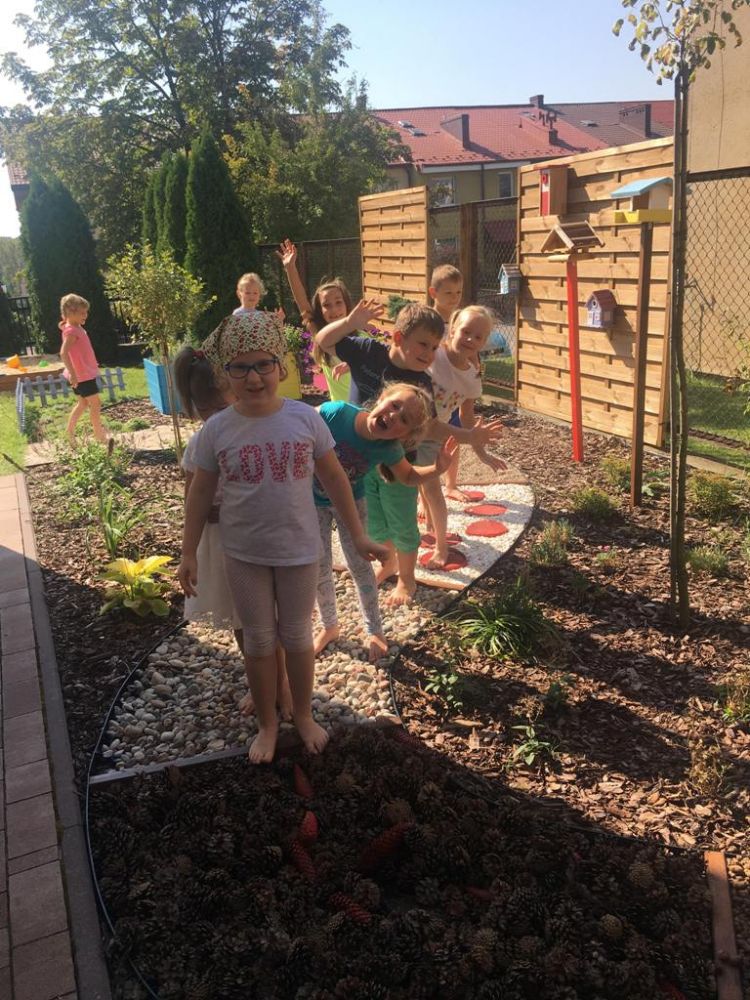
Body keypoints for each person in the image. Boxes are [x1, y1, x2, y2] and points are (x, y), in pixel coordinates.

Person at [177, 312, 387, 764]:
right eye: (240, 367)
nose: (253, 377)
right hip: (244, 555)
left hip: (299, 552)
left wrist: (358, 535)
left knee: (296, 637)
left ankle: (304, 715)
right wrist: (187, 551)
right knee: (257, 641)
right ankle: (268, 724)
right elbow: (199, 495)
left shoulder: (305, 419)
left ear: (282, 366)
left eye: (263, 364)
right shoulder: (218, 429)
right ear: (225, 374)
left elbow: (335, 479)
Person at [316, 301, 504, 605]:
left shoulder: (421, 382)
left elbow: (431, 426)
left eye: (433, 348)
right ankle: (389, 562)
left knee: (402, 519)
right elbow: (323, 341)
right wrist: (350, 322)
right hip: (362, 462)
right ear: (399, 338)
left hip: (398, 461)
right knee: (374, 520)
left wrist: (469, 437)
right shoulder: (367, 351)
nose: (429, 354)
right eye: (424, 345)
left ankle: (407, 578)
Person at [173, 344, 292, 719]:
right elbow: (192, 497)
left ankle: (283, 685)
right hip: (222, 543)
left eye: (221, 408)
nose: (216, 418)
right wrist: (188, 551)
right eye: (206, 411)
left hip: (259, 535)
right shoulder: (202, 441)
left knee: (271, 617)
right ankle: (263, 686)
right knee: (244, 622)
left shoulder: (260, 432)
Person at [314, 383, 457, 661]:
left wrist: (437, 469)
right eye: (394, 405)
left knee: (360, 566)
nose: (393, 416)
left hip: (352, 505)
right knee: (319, 566)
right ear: (381, 398)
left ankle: (374, 629)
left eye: (404, 419)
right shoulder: (335, 413)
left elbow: (408, 476)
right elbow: (298, 425)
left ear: (405, 436)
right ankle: (329, 626)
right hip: (313, 502)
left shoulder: (388, 448)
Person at [426, 305, 508, 565]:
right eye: (466, 331)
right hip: (406, 427)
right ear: (452, 330)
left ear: (484, 343)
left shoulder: (472, 378)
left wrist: (482, 453)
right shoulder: (433, 353)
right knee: (414, 484)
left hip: (433, 434)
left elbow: (467, 417)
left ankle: (441, 547)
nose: (471, 339)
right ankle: (425, 525)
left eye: (478, 336)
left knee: (431, 487)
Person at [276, 239, 351, 401]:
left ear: (347, 304)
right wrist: (290, 268)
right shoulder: (321, 335)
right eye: (327, 305)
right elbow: (302, 303)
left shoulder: (360, 334)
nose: (334, 309)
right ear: (320, 311)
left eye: (339, 302)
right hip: (341, 411)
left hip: (369, 410)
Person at [58, 293, 108, 446]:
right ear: (70, 312)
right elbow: (63, 353)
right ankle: (99, 436)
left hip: (82, 374)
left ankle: (70, 434)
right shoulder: (72, 331)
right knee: (96, 404)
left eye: (86, 312)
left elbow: (64, 325)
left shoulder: (74, 327)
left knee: (83, 404)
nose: (85, 315)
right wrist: (73, 374)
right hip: (82, 376)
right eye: (82, 313)